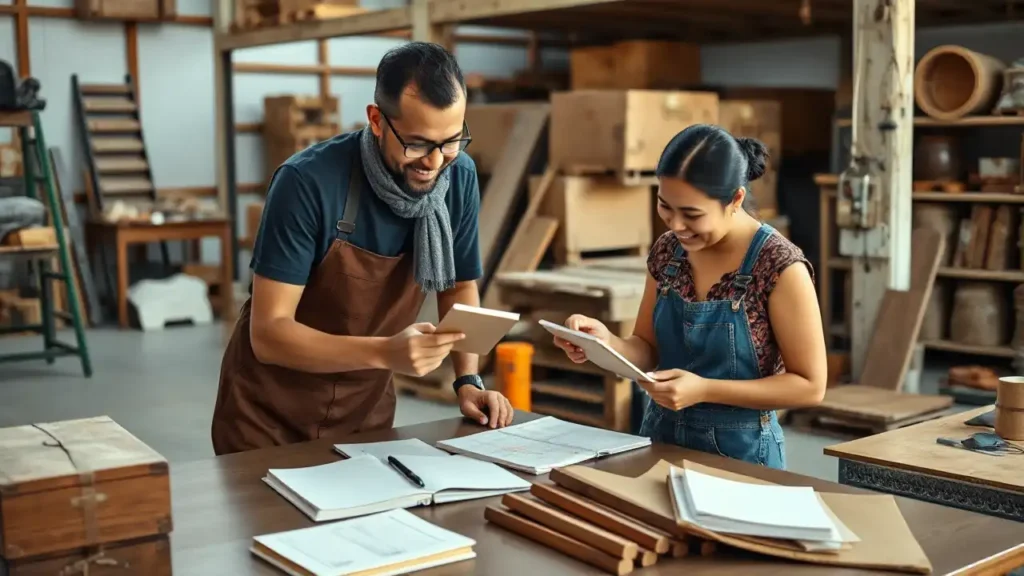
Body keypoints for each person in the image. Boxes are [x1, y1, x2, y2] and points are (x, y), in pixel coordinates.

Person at [211, 42, 515, 456]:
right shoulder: (307, 182)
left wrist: (467, 381)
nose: (434, 162)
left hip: (365, 413)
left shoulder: (457, 176)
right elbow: (269, 334)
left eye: (450, 141)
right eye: (417, 143)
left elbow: (459, 286)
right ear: (376, 120)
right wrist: (385, 351)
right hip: (268, 416)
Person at [553, 124, 827, 470]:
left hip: (742, 454)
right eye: (665, 207)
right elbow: (646, 349)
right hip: (661, 439)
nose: (676, 225)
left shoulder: (779, 265)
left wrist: (705, 389)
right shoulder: (668, 251)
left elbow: (810, 386)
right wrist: (604, 343)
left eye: (692, 214)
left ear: (736, 199)